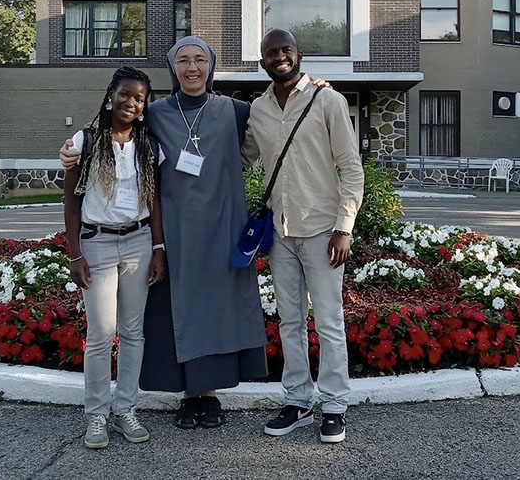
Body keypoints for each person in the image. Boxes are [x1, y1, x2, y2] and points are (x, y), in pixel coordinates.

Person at [61, 36, 268, 430]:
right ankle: (188, 395)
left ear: (211, 66)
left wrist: (316, 85)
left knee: (215, 309)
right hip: (170, 231)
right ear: (173, 68)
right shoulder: (155, 112)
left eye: (200, 60)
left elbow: (277, 108)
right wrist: (71, 152)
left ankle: (210, 395)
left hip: (221, 228)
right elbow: (112, 124)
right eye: (184, 61)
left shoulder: (233, 110)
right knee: (177, 311)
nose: (192, 68)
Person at [243, 28, 364, 444]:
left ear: (299, 54)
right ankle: (297, 401)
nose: (279, 57)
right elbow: (240, 157)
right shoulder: (257, 109)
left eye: (286, 50)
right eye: (271, 52)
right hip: (279, 231)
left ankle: (334, 405)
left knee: (329, 320)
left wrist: (344, 227)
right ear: (262, 61)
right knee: (289, 320)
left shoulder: (328, 100)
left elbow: (351, 168)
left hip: (322, 231)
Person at [63, 66, 167, 449]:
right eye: (125, 94)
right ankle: (96, 415)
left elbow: (152, 201)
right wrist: (75, 254)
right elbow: (71, 202)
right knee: (101, 334)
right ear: (111, 95)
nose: (131, 102)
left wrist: (158, 248)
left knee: (133, 332)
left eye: (139, 98)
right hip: (98, 244)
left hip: (138, 243)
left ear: (144, 105)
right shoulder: (86, 141)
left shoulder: (148, 145)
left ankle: (125, 409)